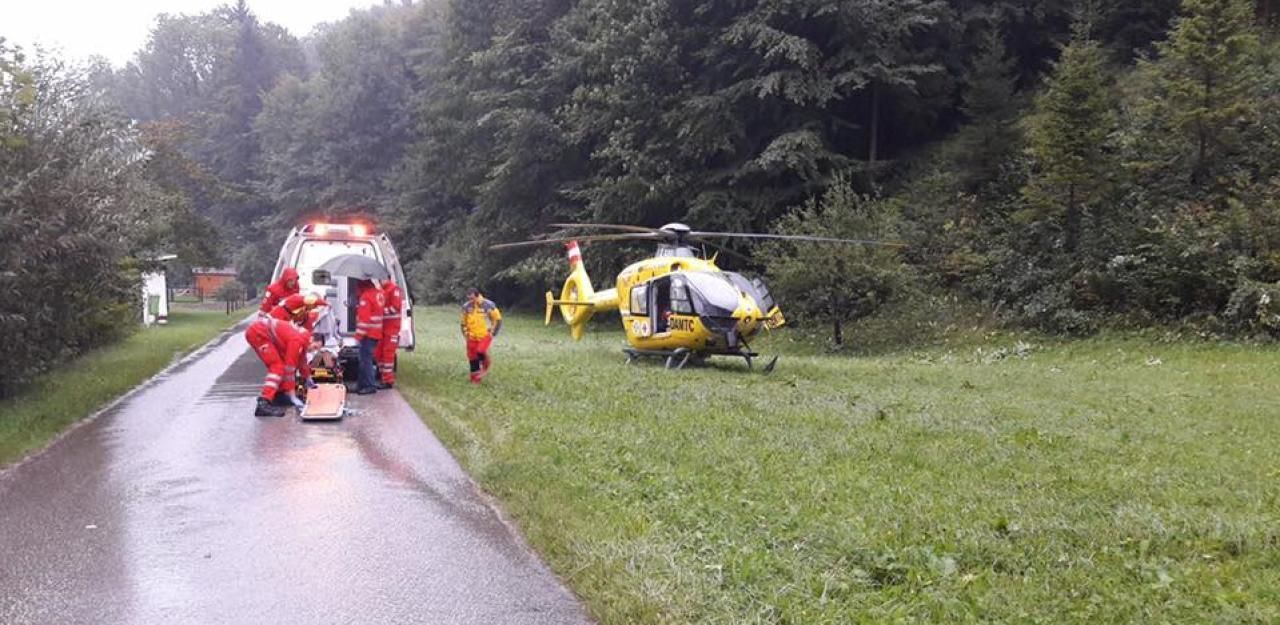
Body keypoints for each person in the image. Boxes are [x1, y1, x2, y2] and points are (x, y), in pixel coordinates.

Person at [244, 314, 311, 416]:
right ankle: (263, 402)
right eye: (315, 347)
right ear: (313, 339)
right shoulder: (297, 341)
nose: (314, 351)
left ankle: (278, 395)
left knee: (281, 364)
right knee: (277, 366)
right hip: (258, 332)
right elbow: (290, 368)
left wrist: (308, 377)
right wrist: (292, 395)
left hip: (262, 332)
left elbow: (302, 362)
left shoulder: (303, 339)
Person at [460, 287, 502, 384]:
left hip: (485, 335)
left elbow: (498, 319)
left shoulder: (488, 305)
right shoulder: (466, 307)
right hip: (471, 336)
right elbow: (463, 322)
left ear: (477, 295)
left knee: (480, 351)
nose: (470, 300)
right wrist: (465, 333)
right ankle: (475, 378)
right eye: (469, 298)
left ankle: (486, 364)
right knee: (472, 357)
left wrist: (493, 333)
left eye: (472, 298)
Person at [353, 279, 385, 395]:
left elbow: (364, 321)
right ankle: (361, 384)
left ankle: (370, 386)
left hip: (368, 334)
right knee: (365, 360)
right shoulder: (379, 294)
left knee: (366, 361)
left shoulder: (365, 297)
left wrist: (358, 336)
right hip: (376, 332)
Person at [376, 280, 404, 389]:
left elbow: (395, 307)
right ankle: (382, 376)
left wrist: (380, 311)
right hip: (382, 327)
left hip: (392, 328)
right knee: (378, 353)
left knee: (388, 354)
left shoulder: (394, 289)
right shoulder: (381, 290)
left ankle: (388, 381)